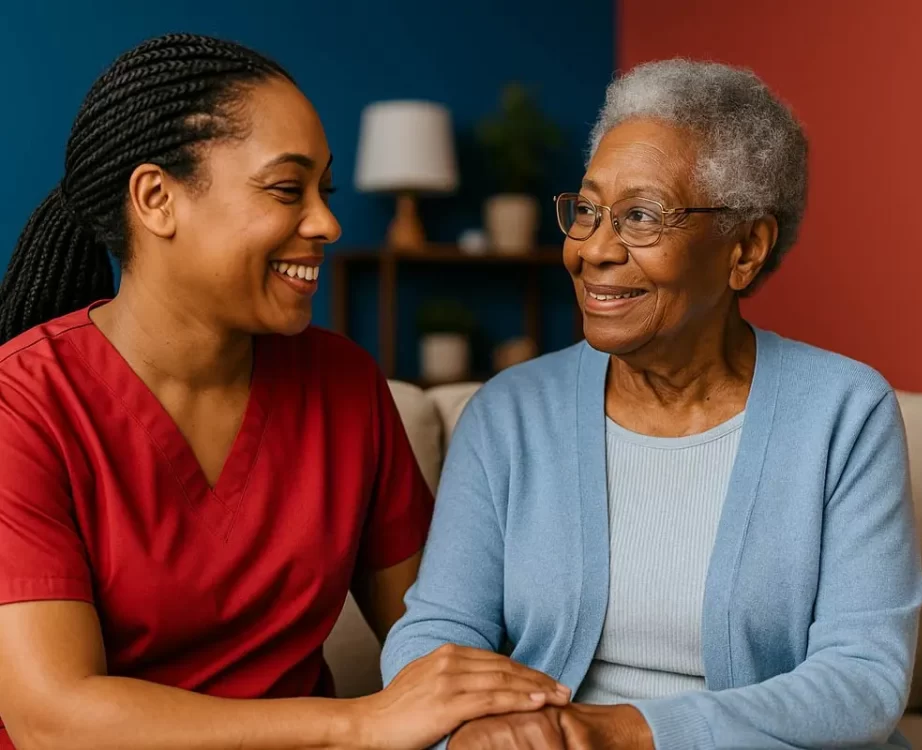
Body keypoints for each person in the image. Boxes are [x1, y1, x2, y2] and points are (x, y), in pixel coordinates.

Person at [0, 33, 570, 750]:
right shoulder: (21, 406)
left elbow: (433, 629)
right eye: (284, 188)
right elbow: (51, 718)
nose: (326, 223)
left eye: (324, 191)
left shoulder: (345, 387)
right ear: (156, 199)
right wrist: (358, 725)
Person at [381, 59, 922, 750]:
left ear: (745, 250)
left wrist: (627, 732)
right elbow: (436, 630)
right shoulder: (511, 413)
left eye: (640, 216)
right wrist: (488, 727)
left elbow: (862, 682)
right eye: (586, 210)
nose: (593, 249)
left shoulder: (844, 412)